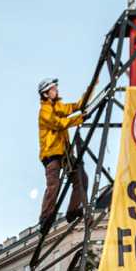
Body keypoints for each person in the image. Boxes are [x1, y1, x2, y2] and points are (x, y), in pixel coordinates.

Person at [37, 77, 86, 224]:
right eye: (52, 89)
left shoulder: (58, 107)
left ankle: (72, 210)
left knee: (81, 178)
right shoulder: (45, 112)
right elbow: (59, 124)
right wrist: (80, 119)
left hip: (64, 152)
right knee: (54, 186)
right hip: (52, 155)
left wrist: (89, 91)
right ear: (45, 94)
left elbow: (74, 107)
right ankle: (45, 217)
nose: (56, 90)